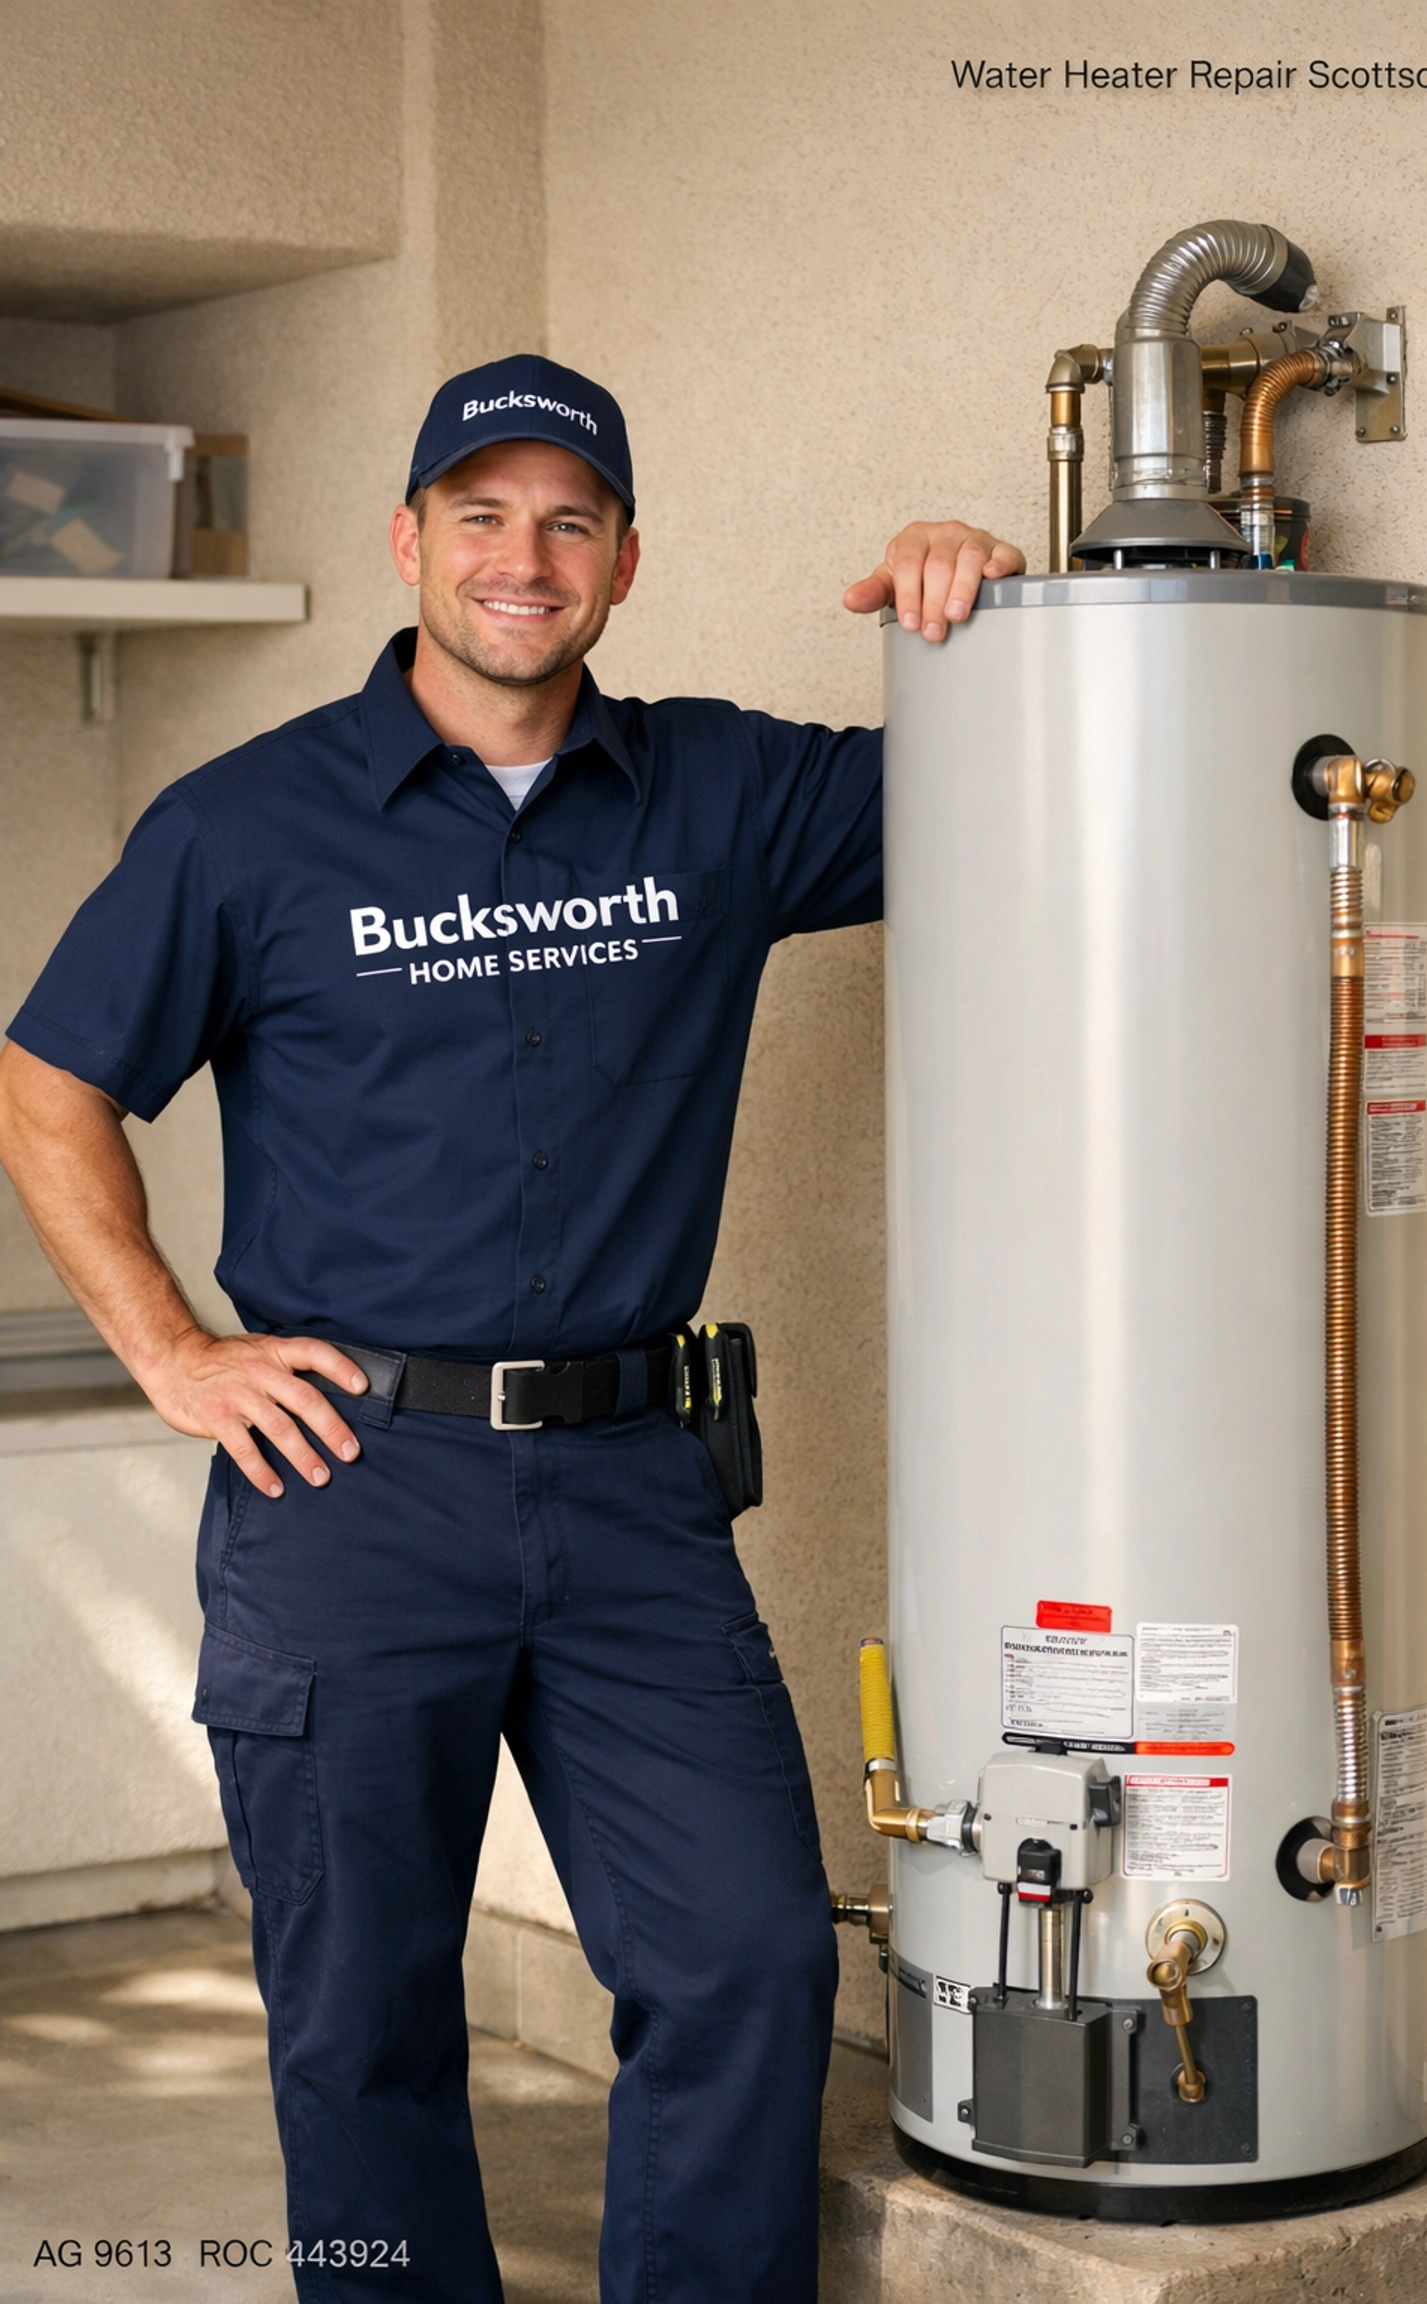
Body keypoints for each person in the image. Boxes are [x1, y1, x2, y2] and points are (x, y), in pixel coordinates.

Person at [0, 355, 1022, 2304]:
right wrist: (172, 1351)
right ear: (409, 542)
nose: (523, 557)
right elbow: (48, 1086)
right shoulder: (247, 829)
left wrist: (985, 595)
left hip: (634, 1491)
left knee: (749, 1958)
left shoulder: (725, 792)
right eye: (481, 513)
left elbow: (1038, 763)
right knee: (365, 2028)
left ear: (628, 558)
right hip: (352, 1487)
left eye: (570, 518)